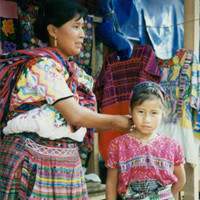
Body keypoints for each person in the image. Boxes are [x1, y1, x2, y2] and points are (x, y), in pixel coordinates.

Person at [0, 0, 131, 199]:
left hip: (66, 167)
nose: (82, 35)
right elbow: (75, 115)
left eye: (83, 28)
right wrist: (116, 121)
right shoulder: (41, 67)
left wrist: (131, 123)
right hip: (34, 162)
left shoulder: (76, 74)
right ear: (53, 30)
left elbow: (89, 121)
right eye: (76, 26)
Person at [106, 81, 186, 200]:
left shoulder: (172, 145)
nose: (147, 119)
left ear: (162, 114)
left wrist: (163, 196)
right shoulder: (118, 145)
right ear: (131, 110)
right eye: (141, 112)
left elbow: (180, 180)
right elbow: (111, 183)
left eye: (154, 113)